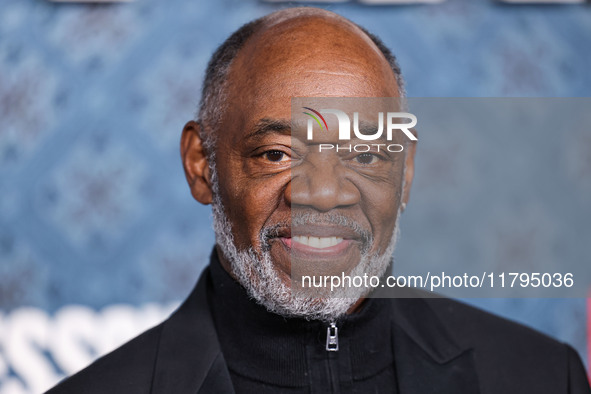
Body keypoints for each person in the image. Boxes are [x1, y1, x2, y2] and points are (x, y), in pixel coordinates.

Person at [47, 7, 591, 394]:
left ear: (406, 172)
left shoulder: (541, 377)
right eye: (277, 154)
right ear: (201, 165)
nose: (323, 194)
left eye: (365, 154)